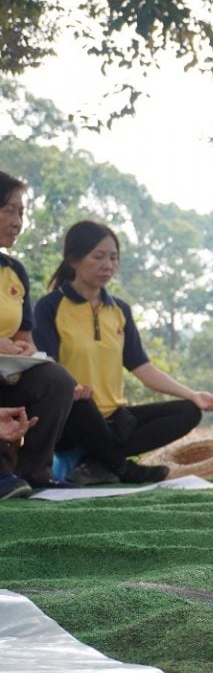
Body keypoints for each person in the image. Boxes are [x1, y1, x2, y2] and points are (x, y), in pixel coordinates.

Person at [34, 221, 213, 484]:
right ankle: (123, 468)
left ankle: (99, 461)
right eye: (98, 257)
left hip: (115, 420)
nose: (107, 265)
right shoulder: (50, 306)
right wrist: (72, 388)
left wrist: (193, 394)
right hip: (72, 418)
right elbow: (46, 365)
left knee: (188, 411)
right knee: (81, 403)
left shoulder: (119, 310)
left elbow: (142, 367)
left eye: (113, 258)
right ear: (74, 259)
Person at [0, 170, 77, 497]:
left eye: (22, 212)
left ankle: (33, 470)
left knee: (57, 379)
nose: (18, 221)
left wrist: (21, 353)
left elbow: (25, 339)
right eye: (9, 210)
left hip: (7, 373)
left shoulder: (14, 271)